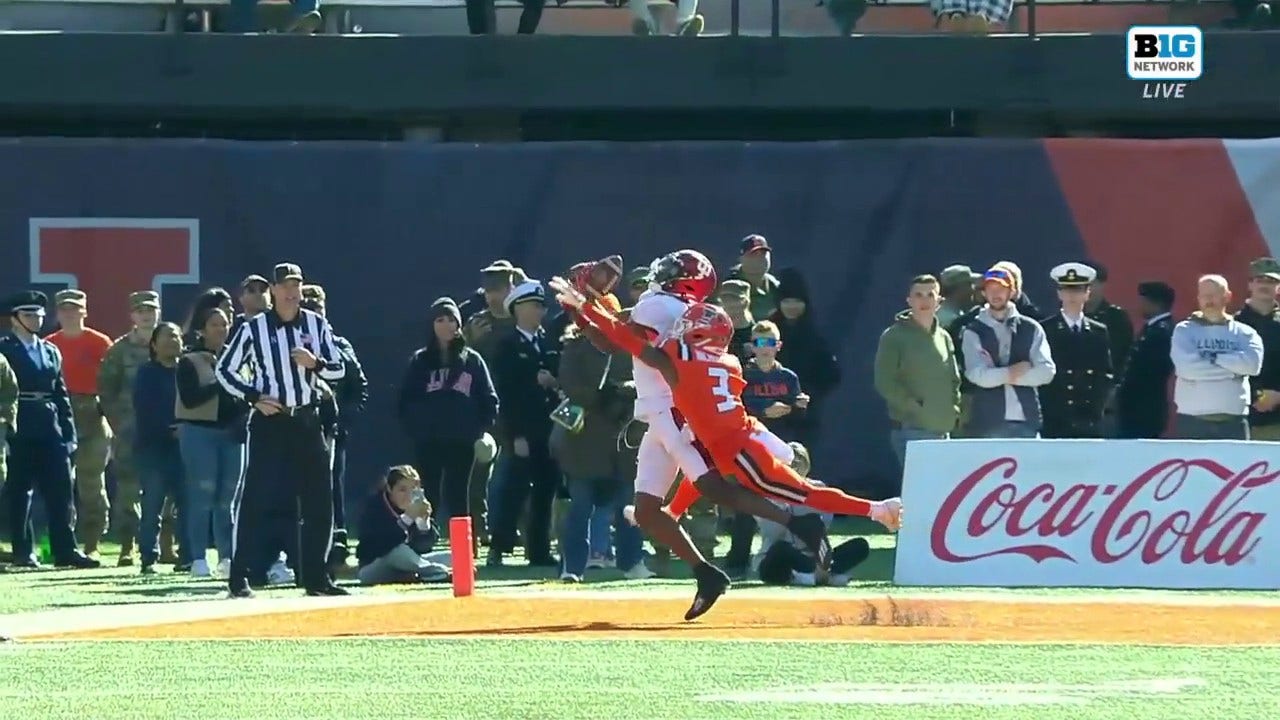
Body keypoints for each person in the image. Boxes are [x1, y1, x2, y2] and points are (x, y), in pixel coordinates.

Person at [559, 279, 902, 608]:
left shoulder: (683, 362)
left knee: (801, 493)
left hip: (735, 446)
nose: (679, 334)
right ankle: (856, 518)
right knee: (718, 480)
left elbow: (631, 342)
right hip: (735, 434)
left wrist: (589, 307)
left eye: (688, 331)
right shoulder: (729, 361)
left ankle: (874, 510)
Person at [216, 262, 347, 598]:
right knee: (255, 497)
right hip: (271, 421)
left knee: (320, 499)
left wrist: (314, 363)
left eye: (296, 285)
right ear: (273, 291)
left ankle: (317, 577)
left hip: (306, 418)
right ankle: (239, 576)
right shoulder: (253, 328)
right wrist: (253, 397)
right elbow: (225, 370)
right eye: (284, 286)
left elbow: (338, 369)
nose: (291, 292)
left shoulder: (316, 324)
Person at [0, 291, 98, 569]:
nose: (36, 320)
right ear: (15, 319)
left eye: (39, 315)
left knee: (61, 491)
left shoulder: (50, 350)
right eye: (29, 315)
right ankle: (23, 551)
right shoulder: (4, 348)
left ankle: (65, 550)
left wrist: (69, 433)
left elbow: (61, 394)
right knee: (21, 492)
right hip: (20, 426)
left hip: (50, 426)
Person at [398, 297, 499, 527]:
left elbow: (489, 398)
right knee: (426, 495)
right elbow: (405, 401)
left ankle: (464, 551)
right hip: (428, 440)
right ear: (432, 325)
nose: (446, 325)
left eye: (451, 320)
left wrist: (478, 428)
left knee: (459, 496)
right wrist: (417, 428)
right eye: (440, 320)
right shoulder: (420, 361)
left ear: (459, 324)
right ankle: (423, 542)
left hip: (461, 440)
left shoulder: (472, 361)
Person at [487, 280, 561, 568]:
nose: (539, 311)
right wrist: (514, 433)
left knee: (546, 489)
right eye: (533, 305)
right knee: (514, 489)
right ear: (517, 308)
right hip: (522, 430)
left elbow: (559, 378)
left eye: (542, 306)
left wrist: (553, 382)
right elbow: (504, 393)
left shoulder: (548, 342)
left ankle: (539, 549)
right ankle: (500, 547)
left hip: (550, 428)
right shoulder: (506, 345)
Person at [177, 306, 248, 579]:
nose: (221, 329)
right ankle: (197, 558)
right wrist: (222, 379)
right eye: (214, 325)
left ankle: (227, 557)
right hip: (200, 434)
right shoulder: (190, 361)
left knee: (227, 501)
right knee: (202, 497)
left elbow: (247, 394)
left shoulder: (239, 358)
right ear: (202, 330)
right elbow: (191, 399)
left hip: (233, 435)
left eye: (224, 324)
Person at [45, 289, 114, 559]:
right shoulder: (49, 344)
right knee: (61, 482)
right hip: (60, 413)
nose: (70, 314)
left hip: (92, 413)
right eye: (64, 309)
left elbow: (111, 381)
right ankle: (64, 542)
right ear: (58, 313)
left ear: (84, 312)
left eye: (75, 309)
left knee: (91, 482)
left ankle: (93, 542)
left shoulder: (100, 343)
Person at [98, 290, 163, 567]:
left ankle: (166, 546)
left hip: (164, 430)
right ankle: (128, 546)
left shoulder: (171, 345)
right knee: (128, 489)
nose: (147, 315)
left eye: (151, 310)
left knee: (167, 489)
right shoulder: (119, 350)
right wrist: (119, 423)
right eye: (141, 311)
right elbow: (107, 391)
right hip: (131, 431)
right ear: (132, 316)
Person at [873, 274, 961, 470]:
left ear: (939, 301)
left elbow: (954, 378)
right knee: (921, 493)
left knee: (942, 493)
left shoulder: (944, 336)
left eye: (930, 294)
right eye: (918, 295)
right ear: (909, 300)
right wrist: (914, 406)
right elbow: (884, 381)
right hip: (911, 430)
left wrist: (953, 409)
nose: (924, 300)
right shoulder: (894, 336)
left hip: (943, 430)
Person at [959, 267, 1057, 438]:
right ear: (984, 293)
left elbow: (1046, 372)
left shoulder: (1031, 328)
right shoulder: (973, 331)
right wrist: (1012, 372)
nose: (996, 294)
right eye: (991, 289)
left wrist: (997, 375)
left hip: (1027, 421)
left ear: (1012, 291)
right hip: (988, 423)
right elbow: (976, 374)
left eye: (1002, 289)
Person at [1169, 275, 1263, 440]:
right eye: (1204, 295)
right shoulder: (1184, 330)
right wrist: (1233, 372)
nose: (1208, 300)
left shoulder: (1245, 333)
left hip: (1234, 422)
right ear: (1198, 298)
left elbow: (1252, 366)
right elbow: (1187, 369)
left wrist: (1211, 358)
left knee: (1236, 466)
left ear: (1227, 296)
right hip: (1192, 421)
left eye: (1214, 294)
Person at [133, 322, 188, 575]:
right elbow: (145, 410)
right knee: (152, 503)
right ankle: (148, 557)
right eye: (167, 336)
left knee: (187, 504)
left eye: (176, 336)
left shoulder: (187, 371)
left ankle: (188, 555)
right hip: (153, 447)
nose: (173, 340)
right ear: (154, 344)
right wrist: (170, 429)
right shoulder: (146, 373)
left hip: (186, 447)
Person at [1038, 263, 1113, 439]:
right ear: (1059, 293)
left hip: (1088, 417)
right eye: (1067, 290)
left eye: (1078, 290)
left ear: (1087, 294)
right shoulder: (1045, 329)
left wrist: (1096, 407)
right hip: (1054, 418)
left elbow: (1105, 373)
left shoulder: (1098, 330)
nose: (1072, 296)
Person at [356, 466, 452, 586]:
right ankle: (436, 572)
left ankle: (422, 574)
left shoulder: (414, 505)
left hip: (408, 562)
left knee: (451, 556)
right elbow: (384, 545)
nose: (408, 495)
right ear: (390, 489)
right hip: (373, 567)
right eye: (402, 490)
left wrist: (423, 521)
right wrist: (407, 518)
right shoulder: (374, 507)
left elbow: (424, 546)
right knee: (399, 552)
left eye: (413, 489)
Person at [1115, 281, 1176, 439]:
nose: (1139, 305)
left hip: (1145, 408)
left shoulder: (1161, 332)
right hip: (1138, 408)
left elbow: (1150, 370)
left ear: (1155, 303)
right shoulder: (1152, 329)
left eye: (1143, 301)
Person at [1235, 257, 1280, 441]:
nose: (1265, 285)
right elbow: (1225, 367)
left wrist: (1278, 394)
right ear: (1250, 284)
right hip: (1242, 419)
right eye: (1260, 280)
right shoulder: (1233, 324)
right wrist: (1256, 395)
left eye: (1271, 281)